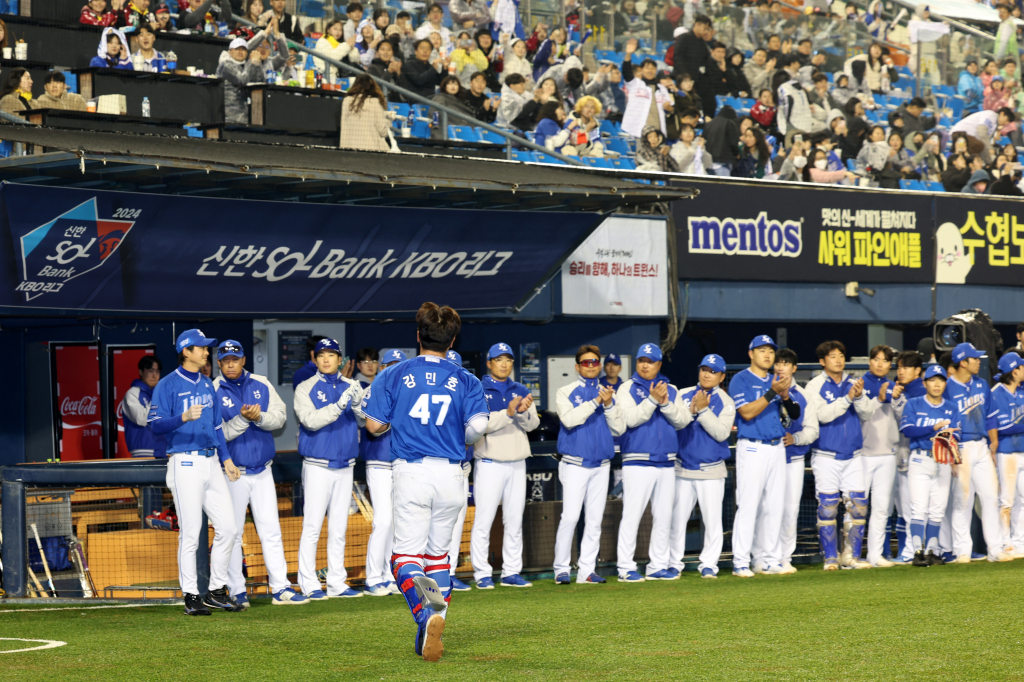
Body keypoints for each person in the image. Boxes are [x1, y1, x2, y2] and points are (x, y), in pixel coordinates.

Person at [363, 302, 489, 663]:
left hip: (412, 471)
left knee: (405, 557)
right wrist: (456, 434)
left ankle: (426, 614)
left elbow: (374, 426)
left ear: (418, 336)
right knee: (437, 556)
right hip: (451, 474)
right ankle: (433, 628)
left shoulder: (394, 373)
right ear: (452, 341)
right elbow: (478, 428)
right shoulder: (467, 379)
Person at [148, 329, 243, 615]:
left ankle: (216, 590)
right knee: (191, 532)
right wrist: (182, 417)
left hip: (211, 461)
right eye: (201, 348)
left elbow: (217, 426)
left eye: (206, 348)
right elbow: (155, 424)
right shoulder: (167, 384)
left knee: (229, 528)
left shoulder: (207, 384)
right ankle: (191, 595)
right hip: (185, 462)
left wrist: (226, 459)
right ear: (186, 351)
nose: (206, 352)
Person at [212, 340, 308, 607]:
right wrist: (243, 419)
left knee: (271, 530)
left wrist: (260, 418)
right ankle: (236, 590)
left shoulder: (261, 383)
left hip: (263, 470)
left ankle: (281, 587)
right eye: (226, 360)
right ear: (219, 363)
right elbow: (218, 434)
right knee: (232, 534)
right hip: (233, 473)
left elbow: (280, 418)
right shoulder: (213, 389)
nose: (231, 364)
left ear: (244, 360)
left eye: (235, 359)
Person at [294, 338, 366, 600]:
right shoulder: (305, 387)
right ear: (315, 359)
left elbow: (364, 421)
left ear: (339, 359)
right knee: (312, 526)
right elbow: (310, 421)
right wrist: (337, 406)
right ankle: (308, 582)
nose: (326, 359)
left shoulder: (351, 385)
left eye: (331, 355)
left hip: (345, 465)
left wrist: (357, 405)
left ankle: (337, 581)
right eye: (321, 355)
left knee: (339, 528)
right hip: (318, 465)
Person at [615, 343, 691, 582]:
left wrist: (665, 403)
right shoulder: (627, 388)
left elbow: (683, 420)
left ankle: (657, 566)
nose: (645, 365)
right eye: (641, 361)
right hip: (637, 460)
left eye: (650, 361)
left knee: (664, 516)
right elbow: (629, 419)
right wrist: (651, 400)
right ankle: (625, 567)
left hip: (666, 462)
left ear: (659, 364)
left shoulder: (672, 389)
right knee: (632, 515)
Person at [552, 345, 625, 585]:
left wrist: (609, 404)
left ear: (599, 366)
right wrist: (596, 402)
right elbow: (569, 420)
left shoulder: (609, 393)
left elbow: (619, 428)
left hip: (601, 464)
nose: (591, 366)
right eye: (586, 362)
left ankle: (587, 571)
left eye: (594, 362)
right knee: (570, 517)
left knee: (594, 520)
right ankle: (561, 569)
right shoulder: (566, 391)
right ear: (577, 366)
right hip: (575, 463)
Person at [470, 343, 539, 589]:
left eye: (508, 360)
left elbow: (532, 425)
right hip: (490, 462)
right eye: (499, 359)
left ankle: (511, 572)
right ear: (489, 363)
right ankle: (482, 573)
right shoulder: (477, 388)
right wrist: (508, 413)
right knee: (484, 519)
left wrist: (521, 412)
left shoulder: (520, 389)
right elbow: (479, 425)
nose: (504, 364)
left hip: (517, 462)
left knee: (514, 519)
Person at [805, 341, 878, 571]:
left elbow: (868, 413)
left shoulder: (853, 382)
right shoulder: (814, 386)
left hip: (853, 455)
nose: (838, 360)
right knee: (827, 507)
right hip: (825, 455)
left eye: (841, 356)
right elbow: (822, 415)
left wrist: (859, 396)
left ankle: (851, 556)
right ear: (822, 361)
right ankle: (830, 558)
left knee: (858, 506)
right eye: (832, 356)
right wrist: (847, 398)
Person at [729, 335, 796, 577]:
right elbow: (746, 413)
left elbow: (792, 414)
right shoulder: (741, 379)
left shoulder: (776, 379)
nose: (767, 355)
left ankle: (769, 559)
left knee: (774, 506)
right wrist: (771, 393)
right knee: (748, 505)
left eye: (770, 351)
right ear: (751, 354)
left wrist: (784, 395)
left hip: (776, 447)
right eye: (761, 350)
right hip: (752, 446)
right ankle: (740, 561)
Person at [669, 354, 735, 579]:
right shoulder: (683, 394)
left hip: (711, 469)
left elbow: (721, 433)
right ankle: (673, 563)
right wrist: (690, 412)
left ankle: (709, 565)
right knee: (677, 519)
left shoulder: (726, 401)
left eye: (713, 371)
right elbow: (673, 423)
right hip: (683, 467)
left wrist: (704, 410)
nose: (707, 374)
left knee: (712, 521)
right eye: (704, 369)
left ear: (722, 377)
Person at [945, 342, 1009, 563]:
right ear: (963, 362)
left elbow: (990, 416)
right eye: (974, 358)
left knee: (991, 497)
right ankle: (962, 550)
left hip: (981, 446)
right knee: (962, 500)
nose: (979, 361)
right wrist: (952, 454)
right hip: (960, 447)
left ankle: (995, 549)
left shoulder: (981, 384)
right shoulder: (947, 387)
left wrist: (993, 442)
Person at [753, 348, 816, 573]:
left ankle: (784, 557)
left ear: (794, 368)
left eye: (786, 363)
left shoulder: (804, 395)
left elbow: (812, 430)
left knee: (790, 510)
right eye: (777, 363)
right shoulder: (764, 389)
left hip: (793, 459)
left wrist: (796, 438)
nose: (780, 367)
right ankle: (760, 557)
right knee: (764, 509)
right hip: (767, 457)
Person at [899, 365, 960, 567]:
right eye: (932, 380)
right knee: (918, 509)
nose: (937, 384)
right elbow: (908, 430)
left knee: (937, 510)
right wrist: (933, 428)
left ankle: (932, 551)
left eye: (940, 380)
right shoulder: (914, 403)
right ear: (925, 383)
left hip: (942, 461)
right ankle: (917, 552)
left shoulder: (951, 407)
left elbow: (957, 434)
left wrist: (947, 439)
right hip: (920, 459)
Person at [358, 349, 405, 597]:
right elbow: (371, 426)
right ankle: (373, 578)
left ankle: (389, 576)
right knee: (383, 521)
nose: (394, 369)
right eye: (390, 365)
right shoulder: (373, 390)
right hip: (378, 462)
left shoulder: (411, 393)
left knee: (397, 523)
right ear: (382, 368)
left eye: (399, 365)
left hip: (402, 463)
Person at [858, 345, 902, 568]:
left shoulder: (894, 386)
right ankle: (851, 554)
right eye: (876, 359)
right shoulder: (859, 384)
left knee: (882, 508)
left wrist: (896, 399)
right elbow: (860, 414)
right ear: (870, 361)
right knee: (857, 507)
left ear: (890, 365)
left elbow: (902, 417)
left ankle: (874, 555)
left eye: (885, 361)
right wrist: (879, 398)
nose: (880, 364)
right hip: (863, 454)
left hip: (888, 453)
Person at [890, 350, 926, 563]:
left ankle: (913, 550)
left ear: (917, 370)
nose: (901, 371)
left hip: (915, 455)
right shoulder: (902, 389)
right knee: (905, 506)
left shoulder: (920, 391)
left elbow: (907, 424)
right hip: (904, 454)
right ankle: (912, 549)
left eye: (906, 367)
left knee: (911, 505)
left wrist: (896, 399)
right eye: (899, 367)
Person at [990, 353, 1024, 557]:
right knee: (1007, 501)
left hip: (1022, 450)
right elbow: (1003, 427)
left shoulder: (1021, 391)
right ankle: (1005, 543)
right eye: (1022, 366)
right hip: (1006, 453)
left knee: (1023, 499)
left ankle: (1020, 542)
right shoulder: (996, 393)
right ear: (1014, 371)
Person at [620, 39, 673, 141]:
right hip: (640, 130)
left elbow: (671, 108)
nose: (650, 70)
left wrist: (670, 108)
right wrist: (628, 54)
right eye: (647, 68)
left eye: (653, 68)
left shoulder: (662, 89)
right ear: (641, 70)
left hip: (658, 132)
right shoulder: (636, 84)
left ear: (656, 71)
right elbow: (626, 72)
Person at [122, 355, 166, 459]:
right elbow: (141, 419)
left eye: (157, 371)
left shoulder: (161, 393)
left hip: (164, 450)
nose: (154, 375)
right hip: (142, 451)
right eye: (150, 371)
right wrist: (157, 396)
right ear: (141, 372)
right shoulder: (133, 393)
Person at [216, 37, 264, 124]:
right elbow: (242, 80)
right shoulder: (226, 64)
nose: (240, 52)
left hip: (245, 113)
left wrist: (258, 64)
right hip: (228, 115)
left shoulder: (246, 65)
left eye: (243, 49)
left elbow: (259, 82)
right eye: (237, 49)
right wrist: (251, 62)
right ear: (230, 51)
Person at [340, 74, 393, 152]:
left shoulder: (346, 101)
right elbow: (383, 132)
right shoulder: (374, 102)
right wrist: (388, 120)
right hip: (370, 151)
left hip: (347, 150)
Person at [703, 105, 740, 176]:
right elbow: (733, 143)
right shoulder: (730, 123)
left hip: (709, 162)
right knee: (723, 183)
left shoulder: (709, 124)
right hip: (724, 161)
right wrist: (736, 153)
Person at [672, 14, 712, 80]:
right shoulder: (684, 38)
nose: (706, 31)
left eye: (708, 29)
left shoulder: (702, 43)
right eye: (705, 28)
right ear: (697, 24)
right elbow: (678, 57)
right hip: (682, 77)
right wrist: (685, 74)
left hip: (696, 77)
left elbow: (706, 60)